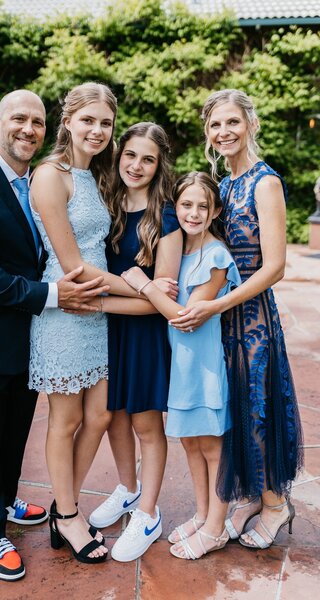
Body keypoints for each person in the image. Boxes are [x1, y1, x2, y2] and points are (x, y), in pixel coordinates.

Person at [0, 89, 108, 581]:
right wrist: (54, 295)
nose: (28, 129)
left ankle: (6, 501)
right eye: (18, 119)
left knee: (13, 434)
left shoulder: (37, 182)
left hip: (26, 338)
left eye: (36, 121)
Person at [169, 89, 304, 550]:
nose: (223, 132)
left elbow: (275, 267)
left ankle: (275, 504)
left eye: (232, 122)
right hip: (216, 320)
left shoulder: (265, 183)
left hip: (250, 319)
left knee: (256, 411)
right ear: (207, 133)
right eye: (215, 125)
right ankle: (232, 502)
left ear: (250, 123)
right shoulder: (219, 185)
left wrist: (216, 305)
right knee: (228, 417)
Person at [28, 82, 148, 564]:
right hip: (69, 303)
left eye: (106, 123)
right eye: (89, 120)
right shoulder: (50, 176)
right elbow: (72, 262)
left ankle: (63, 507)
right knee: (67, 418)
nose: (98, 131)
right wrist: (145, 288)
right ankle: (69, 514)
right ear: (68, 121)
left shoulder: (95, 176)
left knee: (98, 416)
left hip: (96, 310)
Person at [122, 171, 241, 560]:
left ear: (215, 210)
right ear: (175, 208)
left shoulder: (217, 256)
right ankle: (203, 513)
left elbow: (186, 317)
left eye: (202, 206)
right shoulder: (177, 252)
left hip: (204, 367)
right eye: (186, 205)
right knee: (190, 442)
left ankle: (216, 526)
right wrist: (154, 283)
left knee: (212, 446)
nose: (193, 213)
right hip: (180, 368)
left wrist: (144, 285)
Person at [88, 122, 182, 562]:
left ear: (159, 163)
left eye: (147, 158)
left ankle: (148, 512)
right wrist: (129, 287)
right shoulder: (105, 203)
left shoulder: (167, 216)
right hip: (106, 333)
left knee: (146, 425)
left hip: (142, 334)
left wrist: (99, 304)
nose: (136, 165)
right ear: (118, 154)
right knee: (114, 418)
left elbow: (157, 303)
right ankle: (127, 490)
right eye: (130, 155)